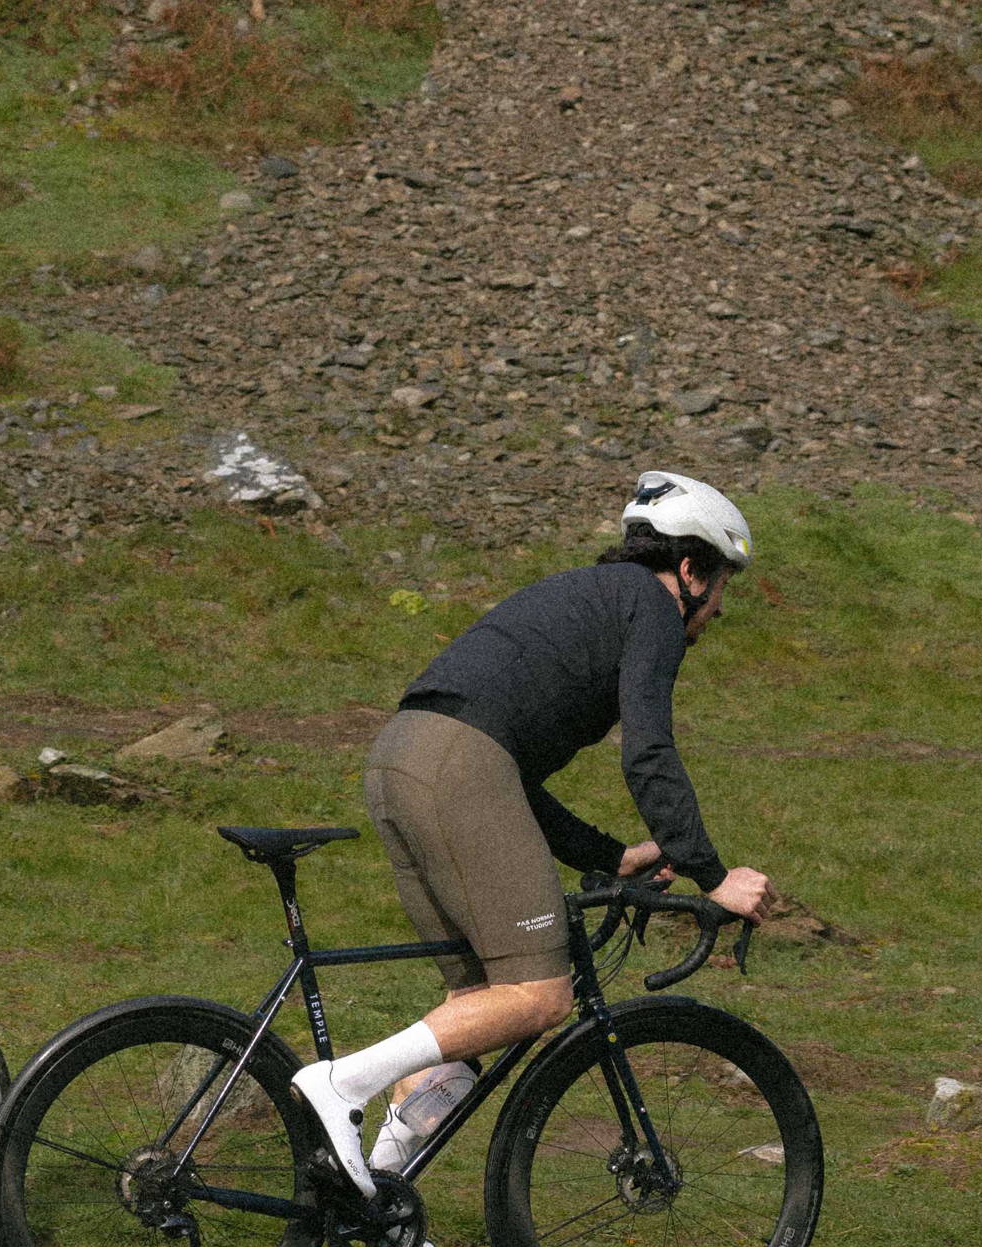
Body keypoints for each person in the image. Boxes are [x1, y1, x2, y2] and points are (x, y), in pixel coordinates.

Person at [290, 470, 775, 1201]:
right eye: (721, 589)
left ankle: (379, 1184)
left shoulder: (589, 600)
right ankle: (343, 1082)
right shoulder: (649, 606)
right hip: (455, 763)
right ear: (690, 567)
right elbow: (647, 751)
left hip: (400, 755)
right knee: (542, 996)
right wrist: (713, 875)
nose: (716, 612)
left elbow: (508, 779)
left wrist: (612, 856)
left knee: (478, 1005)